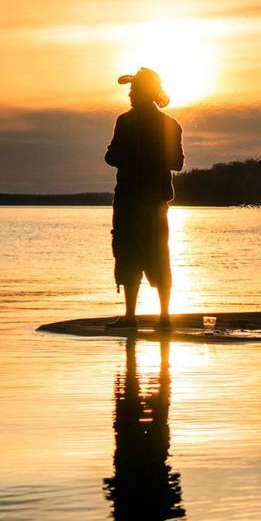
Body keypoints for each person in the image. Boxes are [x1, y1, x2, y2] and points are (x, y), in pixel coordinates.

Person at [104, 67, 184, 329]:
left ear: (143, 92)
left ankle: (132, 317)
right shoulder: (169, 124)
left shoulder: (126, 122)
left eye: (134, 89)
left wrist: (138, 155)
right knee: (154, 255)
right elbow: (177, 162)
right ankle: (161, 317)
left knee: (132, 254)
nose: (129, 93)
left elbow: (112, 157)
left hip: (134, 200)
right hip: (149, 201)